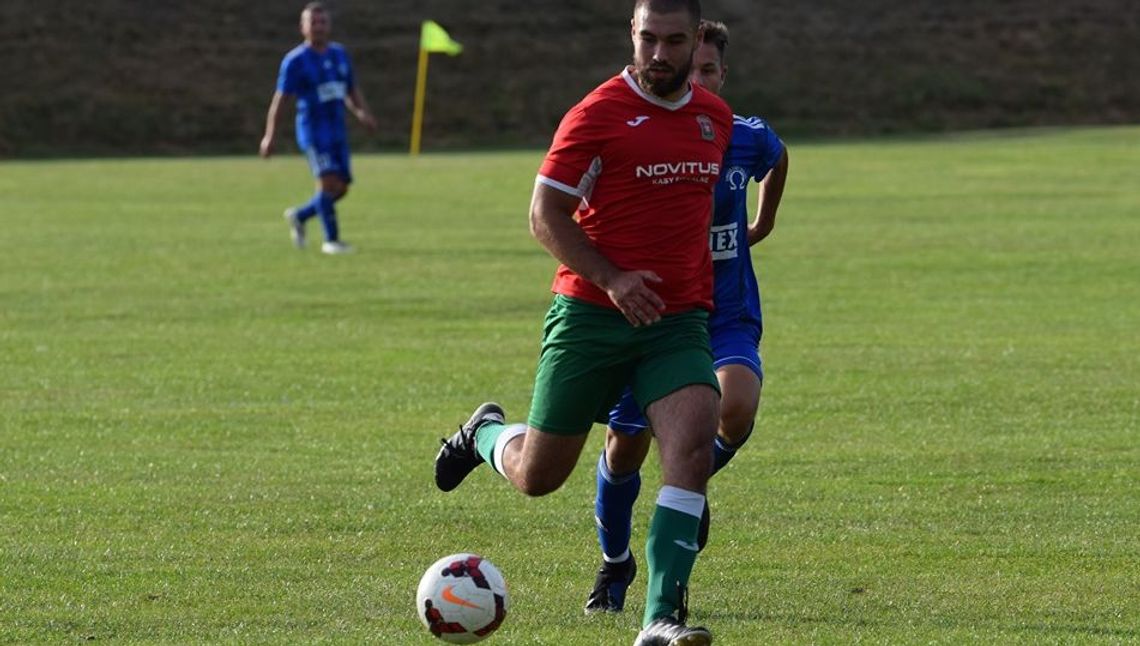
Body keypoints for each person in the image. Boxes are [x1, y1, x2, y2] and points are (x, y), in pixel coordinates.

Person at [432, 1, 732, 643]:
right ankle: (486, 434)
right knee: (539, 477)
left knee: (690, 449)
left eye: (674, 41)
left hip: (675, 323)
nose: (658, 53)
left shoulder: (715, 117)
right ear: (632, 33)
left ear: (697, 40)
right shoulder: (596, 115)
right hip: (590, 316)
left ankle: (659, 620)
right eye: (647, 38)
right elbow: (544, 215)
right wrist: (614, 278)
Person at [584, 18, 790, 615]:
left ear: (722, 76)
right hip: (654, 316)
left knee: (738, 406)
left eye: (707, 70)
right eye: (687, 67)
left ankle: (686, 492)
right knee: (623, 449)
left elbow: (778, 156)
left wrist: (764, 221)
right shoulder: (645, 133)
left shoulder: (742, 135)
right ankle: (615, 562)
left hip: (723, 313)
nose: (694, 77)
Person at [259, 2, 377, 255]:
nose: (318, 27)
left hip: (337, 131)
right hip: (313, 131)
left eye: (322, 22)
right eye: (313, 22)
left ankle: (300, 216)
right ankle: (331, 241)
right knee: (327, 183)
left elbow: (350, 90)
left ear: (329, 25)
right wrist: (270, 135)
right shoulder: (295, 61)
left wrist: (362, 113)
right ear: (303, 27)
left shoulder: (339, 54)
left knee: (341, 188)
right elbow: (280, 101)